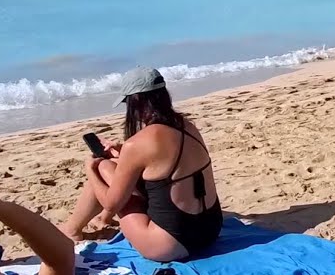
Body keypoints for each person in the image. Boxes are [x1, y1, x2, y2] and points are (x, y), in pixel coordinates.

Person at [61, 68, 222, 262]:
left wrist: (91, 169)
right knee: (114, 165)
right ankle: (78, 227)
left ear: (135, 102)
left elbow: (111, 204)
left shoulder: (138, 143)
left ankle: (72, 230)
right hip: (210, 231)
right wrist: (123, 155)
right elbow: (162, 165)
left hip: (170, 245)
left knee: (104, 167)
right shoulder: (187, 125)